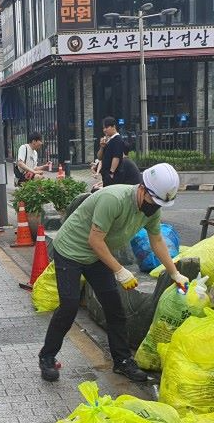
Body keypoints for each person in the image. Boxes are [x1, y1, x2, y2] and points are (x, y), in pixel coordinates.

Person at [38, 163, 188, 384]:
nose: (154, 207)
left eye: (159, 204)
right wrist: (120, 270)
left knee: (114, 307)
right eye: (153, 201)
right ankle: (47, 356)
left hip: (98, 255)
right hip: (71, 251)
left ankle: (122, 361)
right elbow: (94, 240)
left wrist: (174, 273)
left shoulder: (152, 208)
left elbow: (156, 240)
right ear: (143, 189)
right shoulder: (114, 199)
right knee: (69, 306)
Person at [98, 117, 127, 187]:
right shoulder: (108, 140)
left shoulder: (117, 140)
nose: (104, 130)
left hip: (113, 175)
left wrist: (111, 173)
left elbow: (116, 157)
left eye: (106, 127)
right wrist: (102, 147)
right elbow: (99, 157)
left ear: (113, 127)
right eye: (103, 128)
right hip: (106, 174)